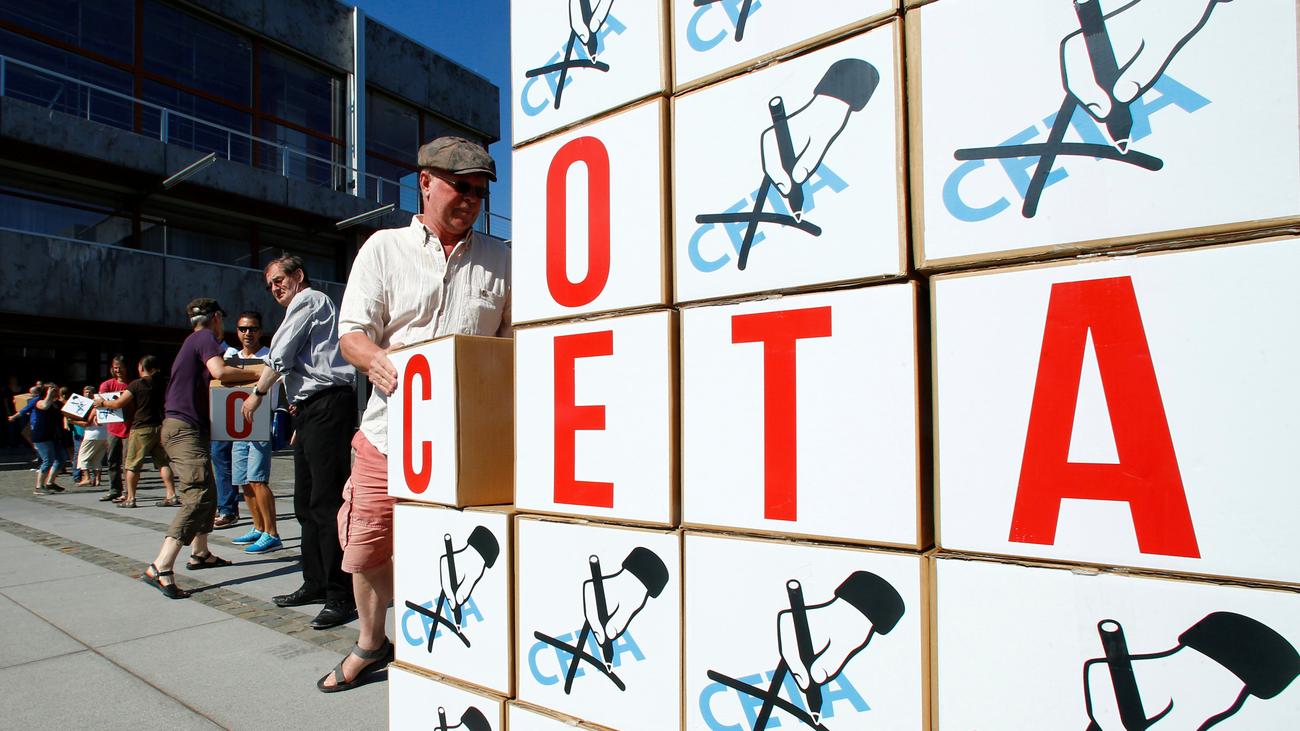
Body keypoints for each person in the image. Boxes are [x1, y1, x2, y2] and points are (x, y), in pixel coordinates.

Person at [327, 136, 509, 692]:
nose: (471, 199)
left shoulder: (503, 259)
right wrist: (380, 363)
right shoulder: (383, 248)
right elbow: (351, 335)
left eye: (480, 191)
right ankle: (371, 642)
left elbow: (512, 345)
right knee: (363, 548)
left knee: (459, 548)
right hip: (388, 435)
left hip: (467, 444)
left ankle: (450, 645)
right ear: (426, 182)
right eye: (461, 186)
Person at [241, 255, 356, 630]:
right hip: (310, 410)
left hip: (327, 406)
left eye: (279, 279)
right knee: (306, 503)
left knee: (326, 502)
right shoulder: (301, 306)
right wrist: (298, 413)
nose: (275, 288)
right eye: (270, 285)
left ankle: (341, 594)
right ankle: (316, 582)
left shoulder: (310, 300)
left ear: (299, 276)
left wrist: (257, 394)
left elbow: (281, 355)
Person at [139, 299, 257, 600]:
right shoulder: (203, 337)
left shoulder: (192, 341)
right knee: (198, 494)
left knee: (209, 493)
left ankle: (200, 553)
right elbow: (220, 371)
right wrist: (261, 375)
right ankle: (160, 565)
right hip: (184, 428)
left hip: (189, 427)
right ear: (216, 317)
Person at [225, 311, 282, 554]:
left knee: (258, 479)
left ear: (260, 331)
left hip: (260, 422)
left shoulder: (269, 356)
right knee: (243, 481)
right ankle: (258, 527)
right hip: (236, 424)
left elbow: (280, 381)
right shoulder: (231, 357)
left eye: (253, 329)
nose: (248, 333)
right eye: (243, 328)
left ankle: (272, 533)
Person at [95, 356, 178, 509]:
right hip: (159, 426)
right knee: (162, 463)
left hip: (141, 427)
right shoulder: (162, 384)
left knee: (132, 464)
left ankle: (130, 498)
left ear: (141, 367)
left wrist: (102, 403)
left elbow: (119, 403)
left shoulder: (136, 384)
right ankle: (171, 495)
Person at [93, 356, 131, 501]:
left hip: (129, 427)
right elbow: (99, 403)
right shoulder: (107, 384)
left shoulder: (132, 384)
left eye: (121, 367)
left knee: (127, 461)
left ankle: (128, 491)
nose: (118, 370)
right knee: (112, 460)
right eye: (115, 367)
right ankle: (114, 489)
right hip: (113, 428)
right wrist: (96, 415)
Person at [23, 383, 66, 494]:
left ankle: (50, 483)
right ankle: (39, 487)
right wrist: (49, 395)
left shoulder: (56, 403)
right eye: (53, 390)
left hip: (53, 435)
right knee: (48, 461)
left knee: (60, 459)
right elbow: (45, 406)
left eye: (56, 390)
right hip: (41, 435)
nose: (55, 392)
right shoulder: (39, 401)